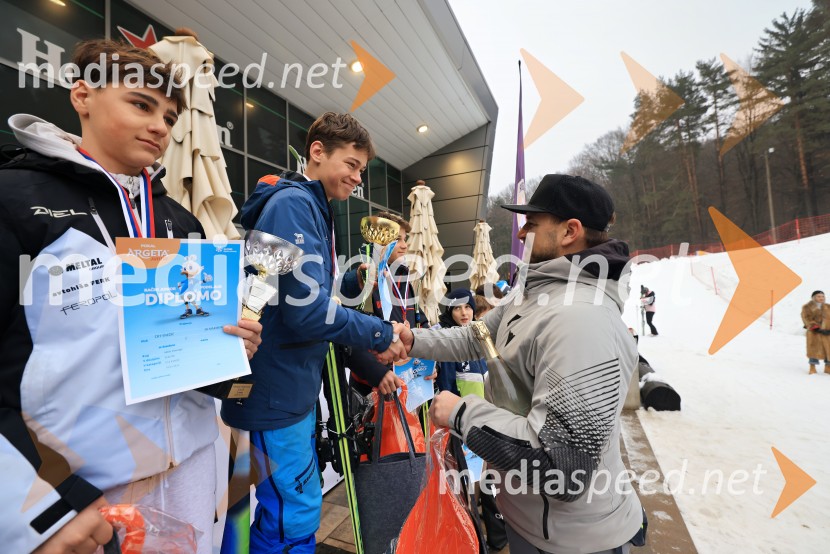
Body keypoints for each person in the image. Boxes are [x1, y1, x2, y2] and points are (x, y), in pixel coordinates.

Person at [0, 39, 263, 553]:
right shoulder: (16, 201)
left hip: (194, 473)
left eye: (169, 115)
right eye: (141, 105)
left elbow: (190, 360)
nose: (160, 126)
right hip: (81, 495)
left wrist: (230, 348)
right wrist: (37, 507)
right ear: (83, 96)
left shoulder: (178, 220)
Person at [386, 174, 646, 554]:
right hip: (533, 522)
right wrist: (415, 340)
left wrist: (462, 413)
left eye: (533, 223)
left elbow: (563, 463)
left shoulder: (582, 319)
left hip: (574, 541)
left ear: (569, 231)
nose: (523, 233)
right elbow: (477, 336)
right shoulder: (536, 291)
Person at [219, 112, 408, 553]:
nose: (357, 177)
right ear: (318, 152)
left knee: (261, 508)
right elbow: (306, 312)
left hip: (277, 387)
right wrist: (379, 333)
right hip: (274, 392)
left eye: (362, 169)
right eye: (351, 164)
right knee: (293, 510)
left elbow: (276, 292)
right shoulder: (292, 204)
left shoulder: (306, 205)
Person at [344, 210, 431, 397]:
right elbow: (349, 338)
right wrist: (376, 372)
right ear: (380, 241)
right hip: (372, 387)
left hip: (407, 382)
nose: (405, 246)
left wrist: (431, 363)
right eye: (398, 239)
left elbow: (420, 322)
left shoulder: (405, 281)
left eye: (404, 239)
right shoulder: (365, 280)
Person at [800, 290, 830, 375]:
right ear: (813, 298)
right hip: (814, 333)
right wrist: (815, 327)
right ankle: (812, 367)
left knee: (828, 350)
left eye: (823, 296)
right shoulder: (807, 307)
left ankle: (828, 368)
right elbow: (806, 318)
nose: (821, 298)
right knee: (814, 349)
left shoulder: (828, 307)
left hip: (827, 333)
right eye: (819, 296)